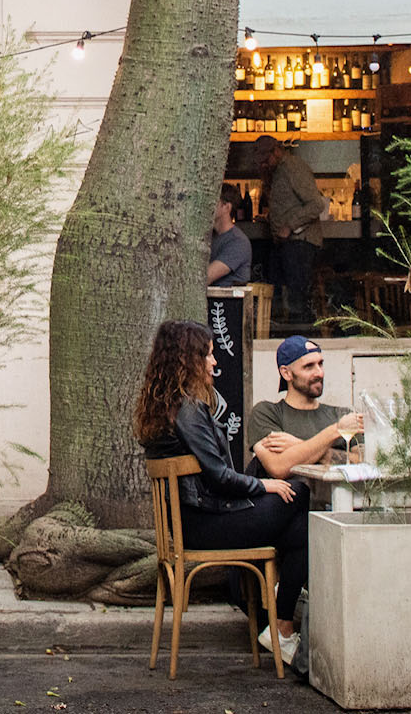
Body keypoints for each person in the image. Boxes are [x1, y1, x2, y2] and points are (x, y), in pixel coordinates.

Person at [135, 320, 310, 667]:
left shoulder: (166, 406)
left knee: (299, 530)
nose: (216, 363)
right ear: (188, 361)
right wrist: (264, 485)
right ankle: (280, 621)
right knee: (299, 493)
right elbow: (218, 477)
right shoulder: (188, 408)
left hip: (188, 524)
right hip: (205, 524)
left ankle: (278, 621)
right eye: (209, 355)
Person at [245, 336, 364, 481]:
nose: (319, 373)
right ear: (286, 373)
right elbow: (278, 467)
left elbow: (364, 464)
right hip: (292, 502)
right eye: (309, 366)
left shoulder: (342, 414)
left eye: (320, 364)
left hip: (340, 501)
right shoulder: (267, 413)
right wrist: (336, 431)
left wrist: (298, 445)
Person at [253, 135, 327, 322]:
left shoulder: (293, 167)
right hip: (285, 243)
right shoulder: (276, 172)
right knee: (280, 294)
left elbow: (316, 205)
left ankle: (301, 333)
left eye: (265, 160)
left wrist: (288, 226)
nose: (263, 165)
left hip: (300, 242)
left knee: (297, 297)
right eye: (259, 162)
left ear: (276, 151)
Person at [207, 186, 252, 287]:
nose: (207, 206)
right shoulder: (210, 237)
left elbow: (207, 276)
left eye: (213, 202)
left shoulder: (238, 241)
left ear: (227, 207)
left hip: (227, 301)